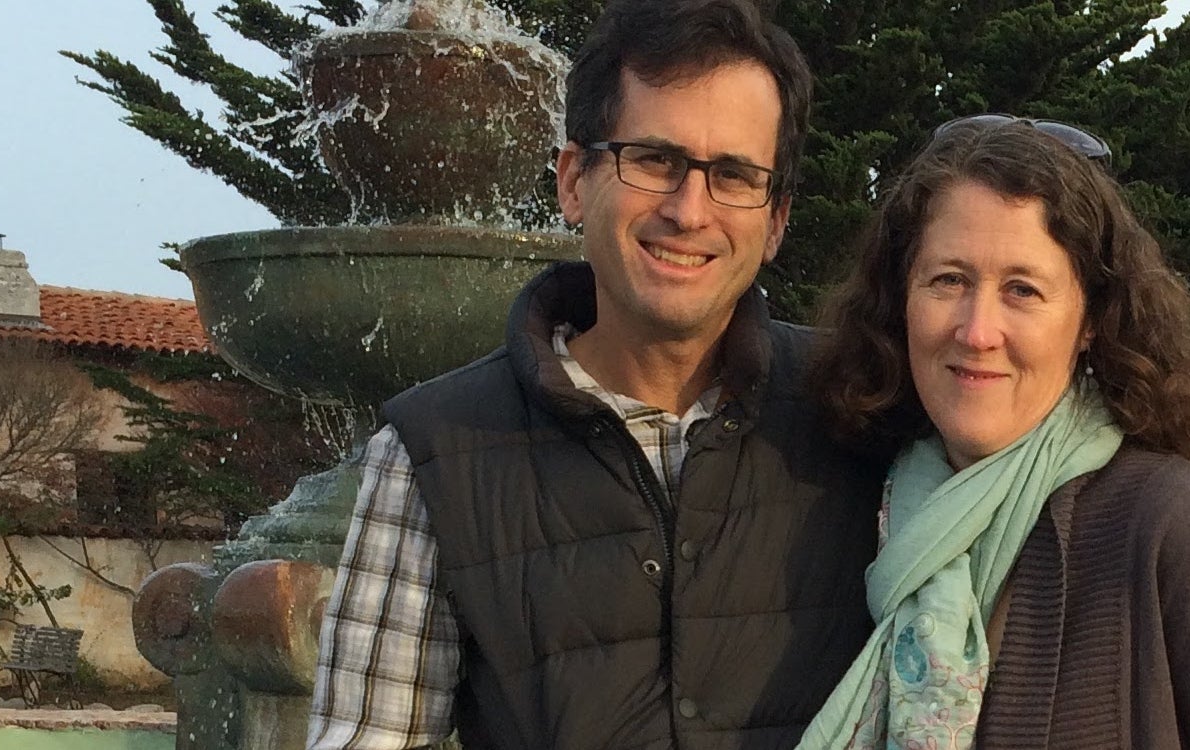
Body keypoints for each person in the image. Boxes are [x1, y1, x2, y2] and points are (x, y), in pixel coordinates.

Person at [305, 1, 884, 747]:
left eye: (735, 175)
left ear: (775, 221)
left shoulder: (859, 409)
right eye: (654, 159)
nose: (688, 210)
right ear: (575, 181)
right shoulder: (431, 455)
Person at [799, 116, 1190, 749]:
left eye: (1022, 290)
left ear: (1089, 322)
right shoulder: (852, 515)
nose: (977, 331)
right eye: (949, 280)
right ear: (900, 300)